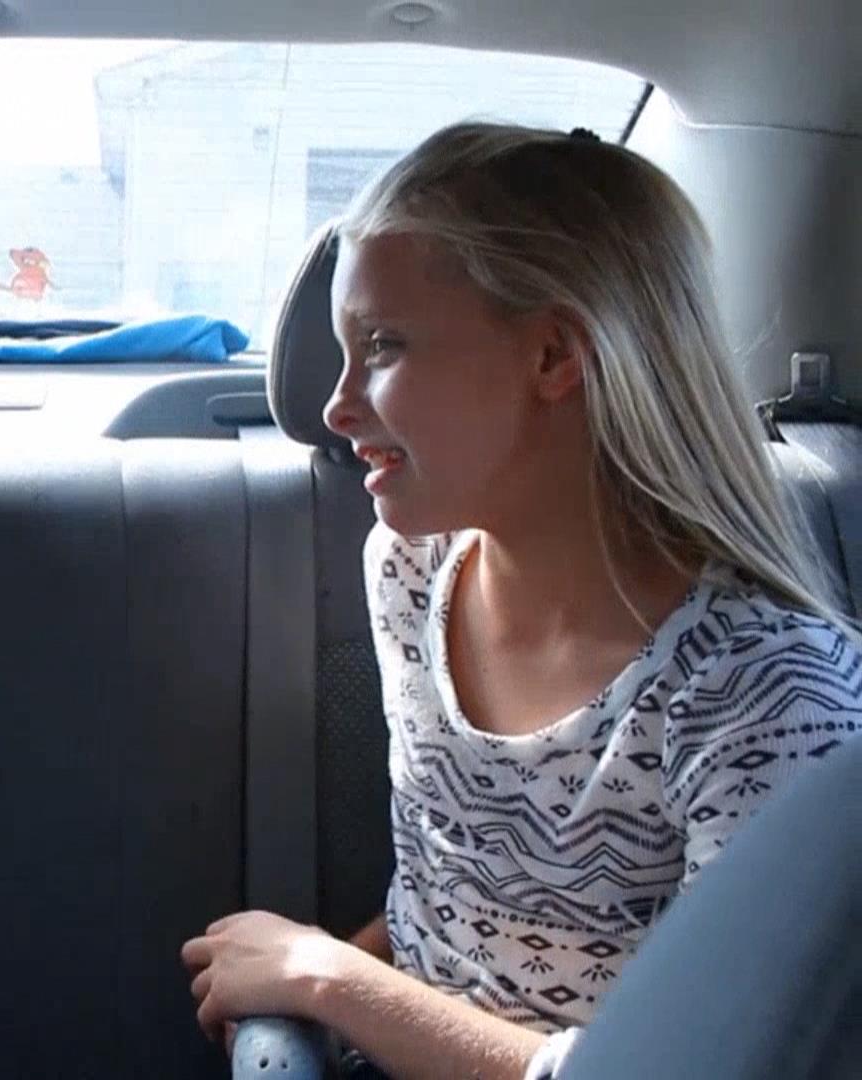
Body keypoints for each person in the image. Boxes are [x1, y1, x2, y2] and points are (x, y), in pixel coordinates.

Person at [181, 122, 862, 1080]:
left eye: (382, 346)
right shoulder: (411, 571)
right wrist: (334, 988)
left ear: (551, 356)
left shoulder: (765, 694)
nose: (335, 406)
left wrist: (329, 979)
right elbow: (449, 904)